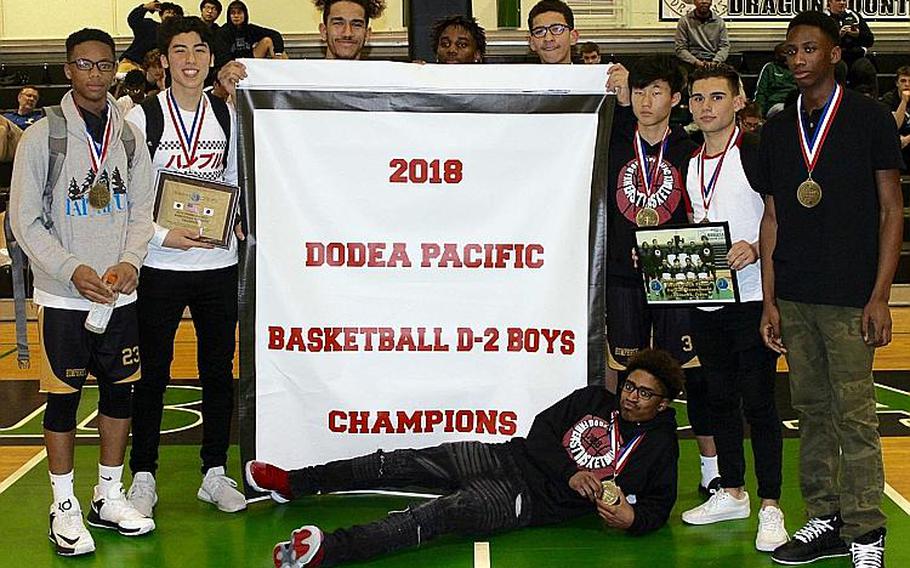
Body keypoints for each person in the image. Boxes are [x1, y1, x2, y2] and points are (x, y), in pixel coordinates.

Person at [247, 349, 683, 568]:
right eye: (629, 386)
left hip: (522, 503)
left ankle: (328, 550)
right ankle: (295, 482)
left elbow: (660, 505)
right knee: (395, 462)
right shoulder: (592, 398)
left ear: (663, 405)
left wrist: (633, 519)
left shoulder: (660, 448)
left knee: (433, 517)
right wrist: (571, 473)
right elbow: (541, 432)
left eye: (645, 394)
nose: (631, 397)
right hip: (501, 456)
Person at [757, 11, 903, 568]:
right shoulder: (776, 126)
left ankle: (868, 532)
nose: (797, 59)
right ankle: (826, 519)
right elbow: (771, 218)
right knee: (812, 413)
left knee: (856, 417)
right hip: (794, 293)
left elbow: (892, 209)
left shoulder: (869, 118)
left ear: (834, 54)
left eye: (809, 49)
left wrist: (880, 294)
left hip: (851, 297)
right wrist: (770, 299)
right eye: (791, 51)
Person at [8, 27, 156, 556]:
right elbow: (24, 219)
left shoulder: (131, 134)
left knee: (120, 394)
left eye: (103, 64)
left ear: (115, 68)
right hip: (64, 296)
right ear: (68, 70)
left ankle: (108, 495)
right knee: (64, 402)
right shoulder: (43, 134)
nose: (95, 73)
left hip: (119, 294)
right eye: (83, 64)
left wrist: (130, 259)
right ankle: (64, 504)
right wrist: (70, 269)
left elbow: (142, 210)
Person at [124, 15, 246, 518]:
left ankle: (214, 471)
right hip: (159, 261)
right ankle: (144, 475)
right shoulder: (140, 118)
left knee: (218, 371)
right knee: (152, 373)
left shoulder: (229, 115)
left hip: (218, 261)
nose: (190, 59)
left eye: (199, 49)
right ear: (163, 59)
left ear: (211, 58)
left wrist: (232, 220)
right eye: (179, 49)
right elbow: (129, 198)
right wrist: (160, 234)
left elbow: (237, 176)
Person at [679, 64, 788, 553]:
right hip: (707, 298)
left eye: (717, 97)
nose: (706, 107)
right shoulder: (690, 161)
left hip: (750, 299)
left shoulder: (756, 154)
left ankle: (771, 503)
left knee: (760, 403)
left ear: (739, 100)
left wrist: (756, 247)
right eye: (698, 98)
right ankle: (732, 490)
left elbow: (776, 216)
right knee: (719, 396)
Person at [604, 55, 719, 499]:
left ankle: (711, 468)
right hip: (621, 274)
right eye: (639, 91)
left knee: (690, 372)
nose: (646, 101)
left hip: (677, 275)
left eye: (656, 92)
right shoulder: (612, 141)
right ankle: (613, 461)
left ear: (676, 98)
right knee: (621, 374)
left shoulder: (689, 151)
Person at [214, 0, 386, 86]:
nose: (347, 33)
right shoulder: (297, 82)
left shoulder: (384, 83)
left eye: (356, 24)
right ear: (323, 31)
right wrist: (235, 94)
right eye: (338, 23)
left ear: (368, 34)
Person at [118, 2, 184, 75]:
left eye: (175, 14)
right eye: (168, 12)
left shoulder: (177, 37)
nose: (171, 15)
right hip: (132, 64)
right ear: (161, 15)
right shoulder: (150, 26)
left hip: (154, 70)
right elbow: (133, 20)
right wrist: (145, 8)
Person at [826, 0, 875, 91]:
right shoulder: (824, 18)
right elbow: (821, 43)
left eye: (844, 0)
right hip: (835, 58)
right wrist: (838, 36)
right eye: (838, 0)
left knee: (864, 67)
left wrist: (858, 34)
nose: (842, 3)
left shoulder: (854, 16)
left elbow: (870, 40)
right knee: (838, 68)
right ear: (830, 2)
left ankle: (871, 102)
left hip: (856, 57)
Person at [217, 0, 286, 60]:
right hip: (231, 62)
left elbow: (275, 34)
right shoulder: (223, 31)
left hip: (250, 60)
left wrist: (278, 53)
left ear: (245, 14)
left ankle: (286, 68)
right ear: (229, 16)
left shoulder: (250, 29)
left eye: (239, 13)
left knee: (267, 40)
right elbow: (222, 55)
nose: (236, 16)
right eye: (233, 13)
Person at [674, 0, 729, 68]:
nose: (704, 1)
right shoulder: (684, 21)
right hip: (691, 63)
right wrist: (696, 62)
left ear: (711, 2)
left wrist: (716, 61)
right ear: (694, 2)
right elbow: (680, 48)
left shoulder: (720, 22)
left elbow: (724, 47)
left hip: (714, 62)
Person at [754, 42, 798, 118]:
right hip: (775, 105)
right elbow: (761, 93)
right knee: (783, 110)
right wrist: (759, 114)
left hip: (795, 104)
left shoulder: (798, 68)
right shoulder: (770, 68)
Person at [528, 0, 577, 65]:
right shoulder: (519, 75)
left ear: (573, 37)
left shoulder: (590, 74)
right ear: (532, 43)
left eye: (556, 29)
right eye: (539, 31)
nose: (548, 39)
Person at [880, 65, 910, 170]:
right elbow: (895, 125)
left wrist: (907, 139)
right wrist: (904, 101)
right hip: (895, 140)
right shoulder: (888, 99)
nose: (907, 84)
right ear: (897, 83)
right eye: (903, 81)